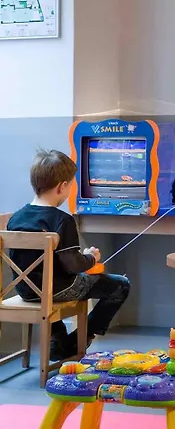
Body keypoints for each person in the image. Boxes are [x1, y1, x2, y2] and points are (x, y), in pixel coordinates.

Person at [7, 149, 130, 361]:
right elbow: (73, 265)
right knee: (121, 285)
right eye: (71, 186)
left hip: (25, 291)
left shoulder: (16, 218)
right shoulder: (62, 220)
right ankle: (77, 341)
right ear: (62, 187)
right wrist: (91, 257)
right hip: (58, 290)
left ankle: (59, 342)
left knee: (51, 283)